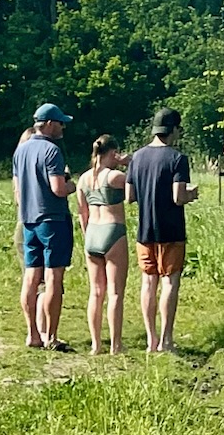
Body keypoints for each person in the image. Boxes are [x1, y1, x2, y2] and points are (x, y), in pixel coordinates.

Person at [125, 107, 198, 353]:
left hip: (145, 231)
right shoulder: (178, 159)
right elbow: (178, 197)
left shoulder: (137, 157)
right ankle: (167, 340)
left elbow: (129, 196)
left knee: (148, 282)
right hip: (171, 231)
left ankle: (150, 340)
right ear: (173, 129)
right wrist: (192, 194)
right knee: (169, 282)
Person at [12, 104, 75, 349]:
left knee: (30, 276)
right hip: (52, 219)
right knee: (53, 278)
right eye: (60, 123)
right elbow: (58, 188)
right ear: (48, 124)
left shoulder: (21, 151)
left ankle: (32, 333)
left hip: (28, 219)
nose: (62, 127)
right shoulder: (51, 151)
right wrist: (73, 186)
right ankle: (51, 335)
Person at [77, 133, 130, 356]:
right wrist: (127, 162)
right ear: (112, 153)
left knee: (95, 292)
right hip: (112, 230)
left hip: (92, 234)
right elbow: (135, 183)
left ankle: (96, 344)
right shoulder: (115, 176)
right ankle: (115, 345)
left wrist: (87, 235)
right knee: (115, 293)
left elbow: (82, 212)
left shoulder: (83, 179)